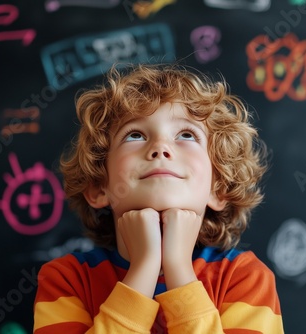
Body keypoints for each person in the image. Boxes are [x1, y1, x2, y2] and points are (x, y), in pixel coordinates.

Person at [33, 63, 284, 333]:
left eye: (186, 134)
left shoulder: (246, 277)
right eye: (135, 135)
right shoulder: (66, 280)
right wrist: (143, 268)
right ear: (99, 187)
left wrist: (178, 267)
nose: (160, 148)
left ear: (219, 188)